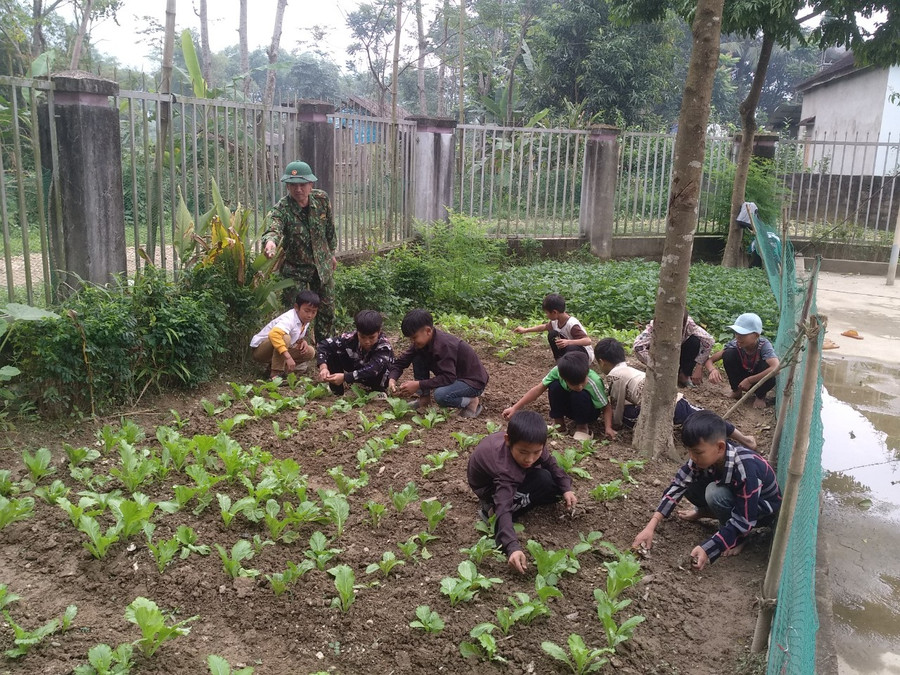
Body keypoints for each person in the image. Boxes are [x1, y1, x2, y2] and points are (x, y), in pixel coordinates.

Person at [631, 410, 781, 571]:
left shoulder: (746, 468)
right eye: (689, 451)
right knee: (688, 481)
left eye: (697, 452)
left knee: (715, 493)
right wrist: (651, 526)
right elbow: (678, 484)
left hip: (759, 513)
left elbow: (745, 518)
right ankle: (704, 512)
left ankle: (739, 538)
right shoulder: (707, 458)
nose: (692, 457)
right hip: (736, 497)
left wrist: (708, 548)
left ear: (720, 447)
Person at [594, 338, 757, 449]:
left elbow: (617, 404)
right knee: (699, 418)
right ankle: (738, 440)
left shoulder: (614, 376)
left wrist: (614, 424)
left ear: (602, 362)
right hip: (668, 401)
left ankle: (744, 440)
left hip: (669, 404)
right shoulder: (629, 369)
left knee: (704, 421)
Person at [467, 410, 577, 574]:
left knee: (552, 484)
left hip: (507, 475)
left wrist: (566, 488)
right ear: (508, 440)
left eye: (536, 452)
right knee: (536, 487)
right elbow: (504, 506)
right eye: (523, 452)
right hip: (489, 488)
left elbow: (551, 464)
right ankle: (489, 509)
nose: (530, 459)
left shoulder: (530, 444)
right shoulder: (505, 469)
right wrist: (512, 547)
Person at [262, 161, 337, 342]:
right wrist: (270, 242)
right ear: (287, 186)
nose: (298, 189)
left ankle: (326, 349)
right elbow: (273, 228)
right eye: (293, 185)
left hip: (322, 267)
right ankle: (299, 350)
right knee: (296, 315)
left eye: (302, 184)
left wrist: (331, 253)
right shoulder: (282, 208)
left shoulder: (321, 199)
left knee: (327, 310)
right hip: (295, 270)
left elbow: (329, 230)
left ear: (311, 184)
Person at [387, 309, 488, 418]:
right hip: (454, 377)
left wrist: (418, 385)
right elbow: (401, 362)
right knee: (417, 356)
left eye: (414, 337)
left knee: (441, 395)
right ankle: (424, 400)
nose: (412, 342)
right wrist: (392, 379)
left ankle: (471, 402)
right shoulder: (421, 343)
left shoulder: (444, 346)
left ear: (428, 331)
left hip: (472, 382)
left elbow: (448, 377)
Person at [502, 351, 607, 441]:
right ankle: (559, 425)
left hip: (589, 412)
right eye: (574, 384)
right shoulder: (558, 372)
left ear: (587, 373)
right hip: (571, 408)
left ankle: (582, 428)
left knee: (580, 394)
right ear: (564, 378)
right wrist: (514, 408)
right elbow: (537, 390)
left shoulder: (594, 381)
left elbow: (606, 407)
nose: (579, 387)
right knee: (554, 385)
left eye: (582, 382)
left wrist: (608, 428)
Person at [708, 312, 779, 409]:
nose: (738, 337)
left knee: (767, 366)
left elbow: (776, 368)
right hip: (742, 379)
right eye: (736, 333)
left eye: (743, 334)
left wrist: (750, 380)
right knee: (728, 354)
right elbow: (710, 360)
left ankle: (760, 396)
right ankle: (736, 391)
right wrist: (712, 370)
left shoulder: (764, 346)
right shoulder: (735, 343)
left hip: (758, 380)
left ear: (756, 335)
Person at [316, 309, 394, 396]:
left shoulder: (384, 347)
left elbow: (372, 370)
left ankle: (379, 391)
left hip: (377, 376)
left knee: (380, 369)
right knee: (333, 351)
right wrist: (323, 367)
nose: (367, 342)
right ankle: (336, 390)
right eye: (362, 337)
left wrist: (345, 377)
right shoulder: (349, 339)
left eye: (372, 337)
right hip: (358, 369)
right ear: (357, 332)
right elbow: (324, 344)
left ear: (379, 332)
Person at [632, 310, 715, 387]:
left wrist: (699, 366)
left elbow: (709, 341)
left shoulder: (689, 325)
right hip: (660, 356)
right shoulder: (656, 326)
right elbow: (638, 346)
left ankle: (684, 374)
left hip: (679, 352)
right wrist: (654, 364)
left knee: (695, 341)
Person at [249, 290, 319, 379]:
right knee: (284, 337)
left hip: (276, 350)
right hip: (261, 351)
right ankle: (275, 374)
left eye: (313, 312)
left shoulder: (304, 321)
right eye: (307, 311)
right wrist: (288, 357)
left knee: (310, 352)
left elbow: (295, 336)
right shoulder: (289, 318)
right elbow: (274, 334)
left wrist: (301, 341)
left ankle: (276, 371)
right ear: (296, 307)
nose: (310, 315)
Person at [513, 293, 593, 362]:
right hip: (571, 350)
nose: (546, 315)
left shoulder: (572, 324)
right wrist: (525, 330)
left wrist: (568, 342)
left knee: (570, 347)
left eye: (547, 313)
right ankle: (560, 360)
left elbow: (588, 341)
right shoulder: (556, 321)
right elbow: (544, 327)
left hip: (584, 354)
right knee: (552, 334)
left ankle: (571, 363)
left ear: (554, 312)